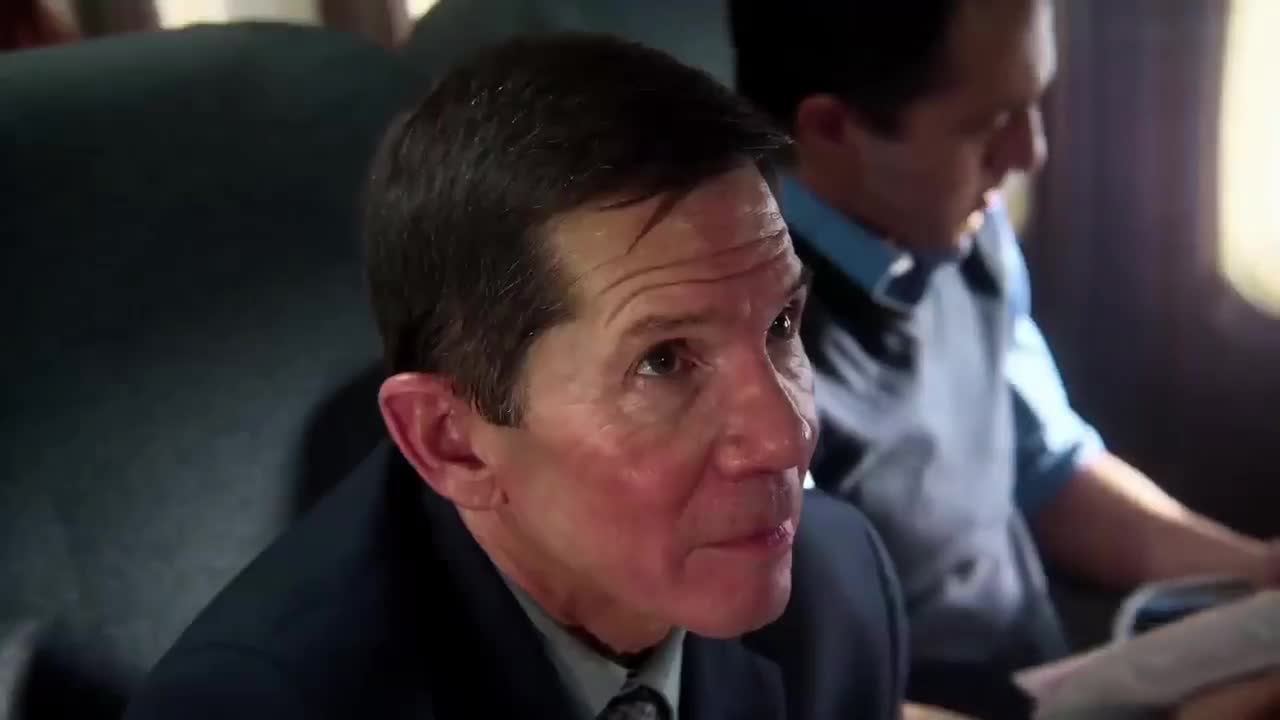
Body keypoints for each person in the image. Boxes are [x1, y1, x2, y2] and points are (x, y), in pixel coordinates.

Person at [124, 34, 907, 720]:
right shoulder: (262, 706)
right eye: (664, 361)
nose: (787, 436)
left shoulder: (837, 598)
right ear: (453, 443)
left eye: (780, 325)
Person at [729, 1, 1280, 718]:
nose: (1030, 153)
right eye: (987, 125)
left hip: (1051, 675)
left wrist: (1256, 570)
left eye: (1033, 104)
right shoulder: (751, 354)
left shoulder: (960, 232)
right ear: (832, 128)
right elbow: (800, 689)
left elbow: (1047, 469)